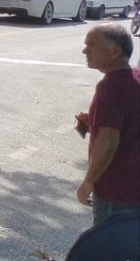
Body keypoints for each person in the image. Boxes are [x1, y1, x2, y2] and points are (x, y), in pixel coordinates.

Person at [73, 23, 140, 227]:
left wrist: (89, 182)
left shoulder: (110, 87)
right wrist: (94, 121)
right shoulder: (134, 76)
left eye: (91, 45)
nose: (85, 50)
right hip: (133, 186)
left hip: (116, 190)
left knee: (109, 247)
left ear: (114, 51)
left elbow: (109, 141)